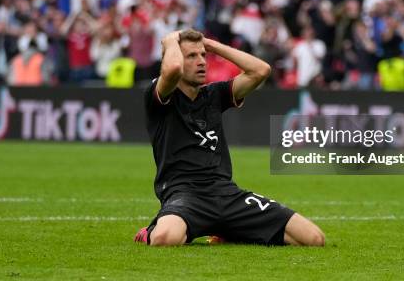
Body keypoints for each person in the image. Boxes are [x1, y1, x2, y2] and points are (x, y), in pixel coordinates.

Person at [134, 29, 325, 246]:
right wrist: (170, 41)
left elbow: (261, 71)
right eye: (192, 56)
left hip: (227, 194)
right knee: (164, 238)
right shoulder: (158, 96)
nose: (201, 62)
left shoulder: (214, 94)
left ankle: (229, 231)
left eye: (203, 55)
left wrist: (212, 45)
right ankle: (149, 231)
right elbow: (173, 69)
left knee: (313, 239)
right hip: (185, 195)